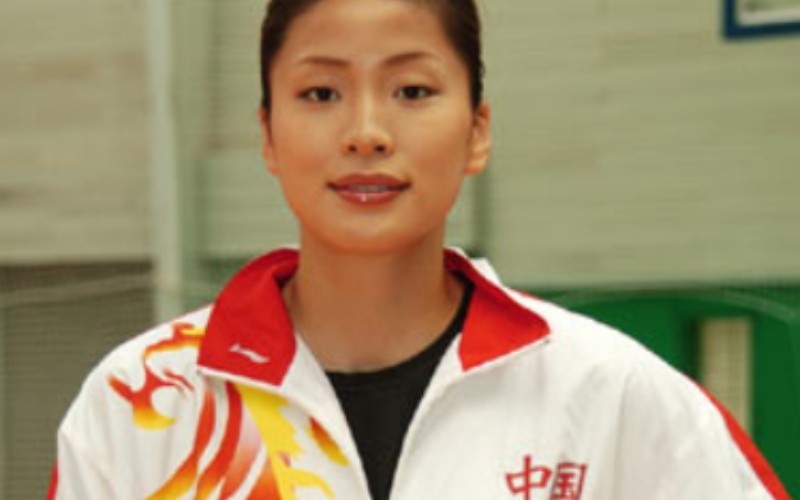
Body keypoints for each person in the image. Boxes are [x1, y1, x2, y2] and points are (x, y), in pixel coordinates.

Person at [49, 0, 789, 498]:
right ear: (268, 135)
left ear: (477, 131)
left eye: (411, 91)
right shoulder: (142, 401)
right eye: (321, 94)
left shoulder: (607, 392)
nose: (366, 132)